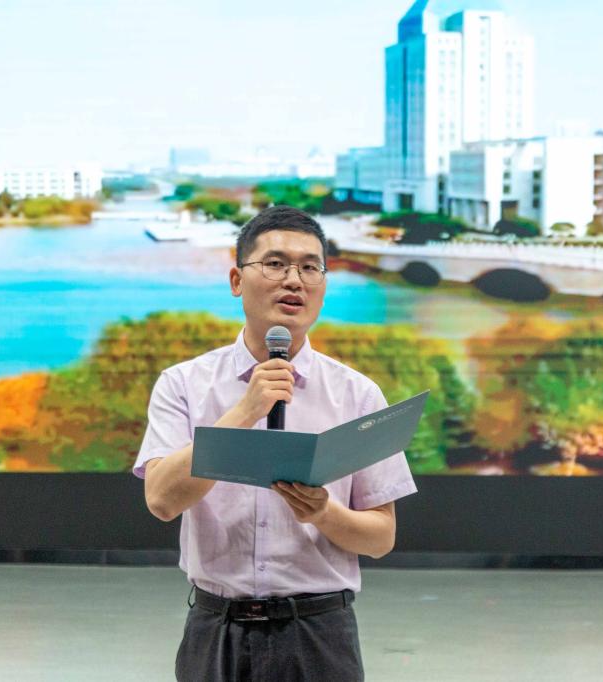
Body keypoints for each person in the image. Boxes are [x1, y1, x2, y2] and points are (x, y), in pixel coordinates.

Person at [133, 205, 417, 681]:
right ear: (236, 280)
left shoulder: (357, 394)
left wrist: (322, 512)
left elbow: (380, 538)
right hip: (216, 629)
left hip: (318, 634)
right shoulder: (183, 384)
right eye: (275, 264)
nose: (294, 280)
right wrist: (244, 412)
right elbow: (161, 500)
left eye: (310, 267)